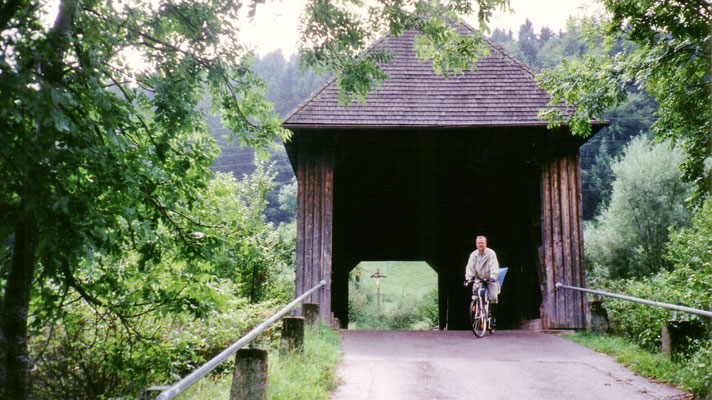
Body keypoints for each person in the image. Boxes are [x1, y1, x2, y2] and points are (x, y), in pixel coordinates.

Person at [464, 235, 500, 326]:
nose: (480, 244)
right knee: (476, 293)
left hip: (490, 278)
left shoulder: (491, 253)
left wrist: (493, 277)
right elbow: (470, 267)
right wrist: (468, 279)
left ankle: (492, 318)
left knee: (493, 297)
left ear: (486, 244)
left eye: (482, 243)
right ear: (476, 244)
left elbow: (494, 265)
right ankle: (478, 309)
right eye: (479, 243)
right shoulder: (473, 255)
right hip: (479, 278)